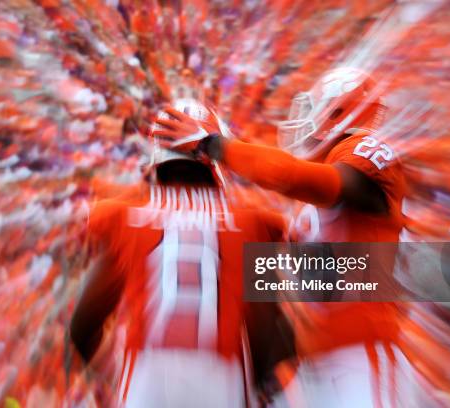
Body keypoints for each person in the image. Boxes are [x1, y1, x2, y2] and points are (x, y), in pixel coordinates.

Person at [154, 67, 412, 406]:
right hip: (316, 364)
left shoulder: (366, 154)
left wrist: (214, 146)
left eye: (313, 108)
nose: (304, 120)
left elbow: (295, 177)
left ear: (338, 112)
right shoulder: (311, 204)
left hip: (361, 357)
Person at [71, 98, 294, 407]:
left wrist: (115, 371)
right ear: (213, 162)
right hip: (221, 377)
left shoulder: (125, 218)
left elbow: (82, 326)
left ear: (157, 160)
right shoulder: (252, 224)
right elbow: (267, 329)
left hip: (146, 377)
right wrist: (260, 386)